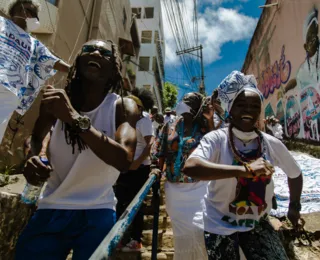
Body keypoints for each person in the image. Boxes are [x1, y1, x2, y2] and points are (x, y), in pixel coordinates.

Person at [15, 40, 140, 260]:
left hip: (98, 210)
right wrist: (34, 157)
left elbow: (124, 160)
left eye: (105, 53)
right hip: (51, 206)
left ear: (114, 70)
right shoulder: (55, 100)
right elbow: (35, 138)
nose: (96, 53)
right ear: (77, 63)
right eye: (89, 49)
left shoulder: (122, 106)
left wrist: (73, 118)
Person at [184, 71, 303, 260]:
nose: (248, 111)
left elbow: (295, 174)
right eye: (241, 105)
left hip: (257, 224)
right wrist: (245, 170)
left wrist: (294, 207)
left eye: (254, 106)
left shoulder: (271, 143)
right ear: (230, 109)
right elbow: (191, 166)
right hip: (218, 224)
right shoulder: (216, 139)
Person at [151, 92, 217, 260]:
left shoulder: (203, 128)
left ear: (197, 108)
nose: (183, 103)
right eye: (183, 100)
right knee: (181, 235)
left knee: (199, 230)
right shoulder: (170, 125)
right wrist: (156, 172)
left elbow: (216, 146)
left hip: (199, 188)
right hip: (174, 190)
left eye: (188, 101)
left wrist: (210, 120)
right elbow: (160, 151)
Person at [0, 0, 69, 142]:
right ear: (16, 11)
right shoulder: (1, 22)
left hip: (10, 93)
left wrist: (75, 69)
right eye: (28, 11)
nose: (32, 16)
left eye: (35, 14)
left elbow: (52, 61)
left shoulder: (34, 43)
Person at [114, 87, 155, 252]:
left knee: (135, 203)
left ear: (140, 107)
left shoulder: (144, 121)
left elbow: (150, 144)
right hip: (124, 168)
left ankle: (136, 240)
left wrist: (137, 163)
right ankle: (119, 238)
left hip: (139, 169)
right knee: (119, 202)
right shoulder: (125, 120)